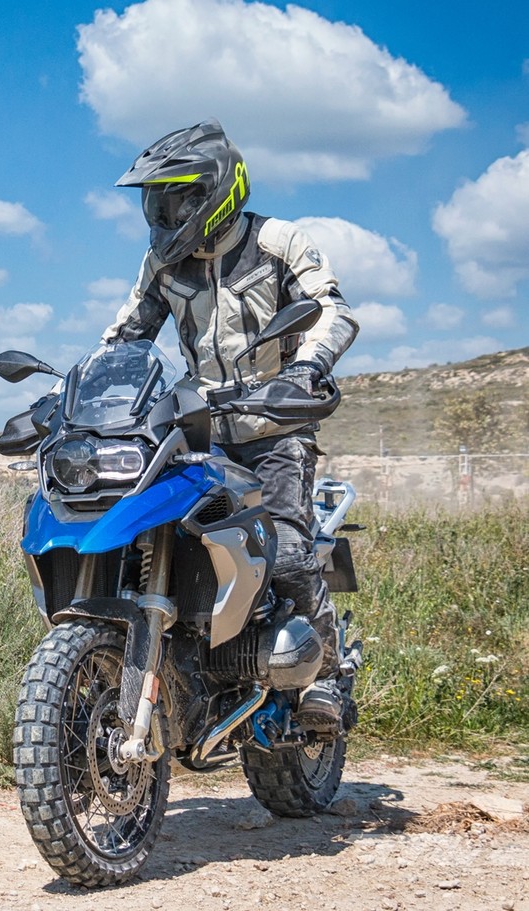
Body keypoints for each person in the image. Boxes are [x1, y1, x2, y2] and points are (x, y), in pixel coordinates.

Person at [101, 118, 359, 733]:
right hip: (200, 429)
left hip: (276, 423)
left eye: (177, 200)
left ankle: (327, 677)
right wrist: (83, 390)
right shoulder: (163, 263)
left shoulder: (278, 242)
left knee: (288, 551)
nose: (164, 217)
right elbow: (124, 337)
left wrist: (306, 369)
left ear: (217, 190)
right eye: (156, 204)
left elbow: (334, 312)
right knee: (147, 534)